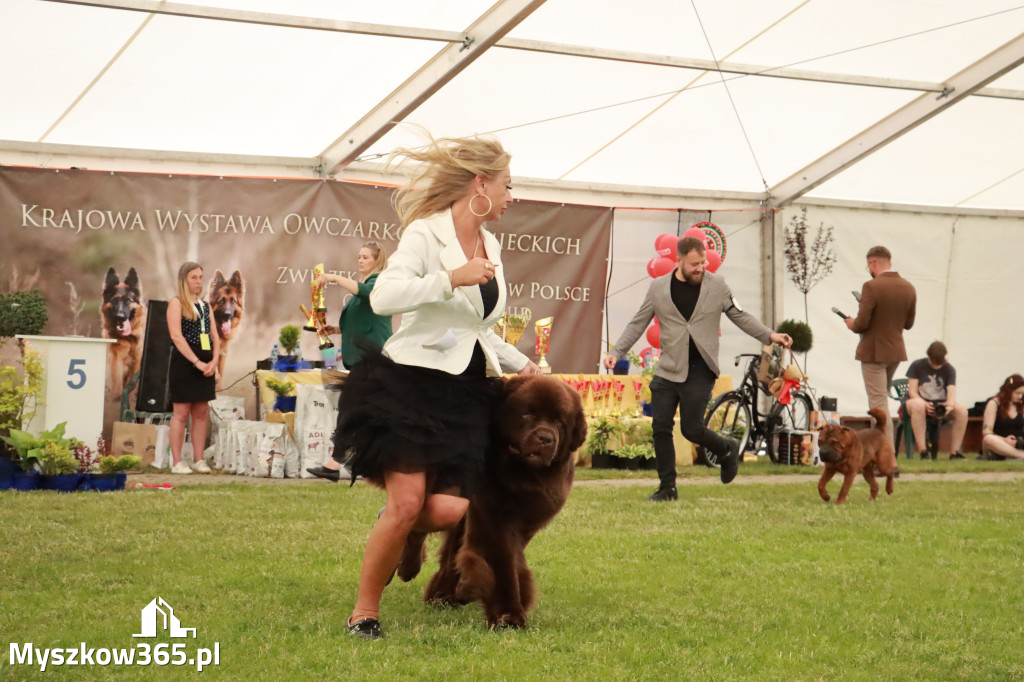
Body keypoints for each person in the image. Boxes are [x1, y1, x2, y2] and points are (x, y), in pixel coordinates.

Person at [333, 134, 541, 640]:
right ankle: (365, 611)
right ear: (480, 184)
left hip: (468, 392)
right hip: (412, 385)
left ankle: (403, 531)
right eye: (507, 185)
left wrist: (525, 363)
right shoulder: (425, 234)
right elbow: (384, 296)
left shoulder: (491, 244)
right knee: (407, 503)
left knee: (450, 509)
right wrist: (451, 277)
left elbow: (478, 326)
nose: (512, 196)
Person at [602, 236, 793, 502]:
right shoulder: (658, 288)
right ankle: (667, 488)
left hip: (700, 369)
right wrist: (615, 352)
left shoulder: (717, 285)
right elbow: (637, 323)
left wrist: (770, 335)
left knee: (691, 429)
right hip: (668, 368)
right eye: (694, 264)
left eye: (703, 262)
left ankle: (727, 448)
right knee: (660, 428)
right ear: (679, 260)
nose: (700, 268)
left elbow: (740, 316)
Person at [306, 241, 394, 482]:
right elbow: (362, 319)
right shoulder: (365, 284)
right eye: (359, 256)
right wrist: (336, 328)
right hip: (361, 358)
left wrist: (333, 277)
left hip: (371, 358)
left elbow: (367, 295)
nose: (360, 260)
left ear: (378, 260)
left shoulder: (379, 283)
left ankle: (337, 463)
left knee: (350, 409)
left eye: (366, 257)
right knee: (361, 412)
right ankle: (364, 463)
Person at [844, 245, 916, 446]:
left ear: (872, 263)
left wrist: (851, 323)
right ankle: (883, 455)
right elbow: (908, 324)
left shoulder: (871, 287)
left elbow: (861, 324)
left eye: (869, 266)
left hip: (874, 353)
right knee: (881, 400)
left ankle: (887, 457)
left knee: (878, 406)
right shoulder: (909, 287)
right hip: (895, 352)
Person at [166, 262, 219, 475]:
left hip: (206, 365)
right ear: (184, 280)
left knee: (201, 412)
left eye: (200, 277)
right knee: (180, 413)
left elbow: (215, 335)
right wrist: (196, 362)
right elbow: (176, 336)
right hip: (185, 363)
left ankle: (199, 459)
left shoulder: (205, 306)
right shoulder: (176, 303)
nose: (198, 281)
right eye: (194, 277)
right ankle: (177, 461)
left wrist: (214, 361)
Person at [905, 341, 967, 459]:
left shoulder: (949, 369)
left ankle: (955, 452)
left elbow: (951, 392)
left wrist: (949, 406)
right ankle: (923, 450)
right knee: (918, 406)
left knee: (962, 411)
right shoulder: (917, 365)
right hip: (918, 401)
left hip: (940, 403)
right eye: (933, 363)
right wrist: (924, 403)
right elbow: (912, 391)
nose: (936, 366)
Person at [980, 374, 1024, 460]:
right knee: (988, 439)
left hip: (1017, 443)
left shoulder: (1021, 405)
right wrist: (1004, 440)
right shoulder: (994, 403)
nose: (1020, 397)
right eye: (1017, 393)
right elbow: (987, 432)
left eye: (1022, 394)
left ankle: (1013, 455)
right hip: (998, 443)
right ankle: (1020, 455)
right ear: (1008, 391)